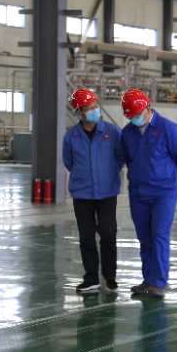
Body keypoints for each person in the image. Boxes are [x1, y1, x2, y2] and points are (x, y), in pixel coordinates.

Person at [120, 88, 177, 298]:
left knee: (159, 234)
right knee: (144, 237)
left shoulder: (169, 129)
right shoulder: (127, 133)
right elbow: (127, 159)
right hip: (138, 193)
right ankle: (148, 279)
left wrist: (169, 180)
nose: (134, 118)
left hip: (164, 194)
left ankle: (158, 282)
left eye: (136, 114)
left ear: (147, 108)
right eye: (130, 116)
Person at [62, 88, 124, 294]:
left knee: (108, 234)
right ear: (79, 111)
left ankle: (110, 277)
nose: (95, 110)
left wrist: (108, 173)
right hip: (82, 193)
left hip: (107, 192)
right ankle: (91, 278)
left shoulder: (111, 132)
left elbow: (121, 156)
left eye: (96, 106)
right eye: (89, 108)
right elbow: (68, 162)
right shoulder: (71, 136)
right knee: (86, 237)